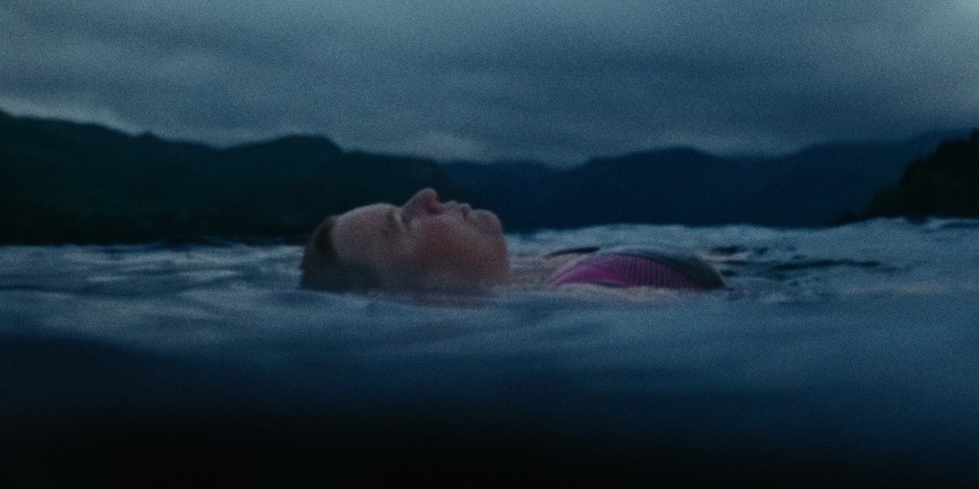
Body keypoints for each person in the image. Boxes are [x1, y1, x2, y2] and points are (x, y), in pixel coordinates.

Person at [300, 188, 725, 294]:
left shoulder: (525, 268)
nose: (427, 196)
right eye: (405, 223)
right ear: (426, 295)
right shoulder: (594, 295)